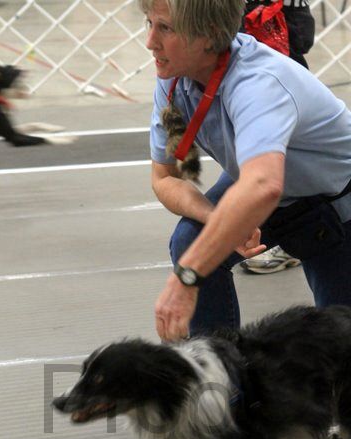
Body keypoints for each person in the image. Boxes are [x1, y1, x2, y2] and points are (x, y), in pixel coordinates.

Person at [139, 0, 351, 341]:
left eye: (165, 27)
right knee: (192, 239)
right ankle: (220, 378)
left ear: (208, 35)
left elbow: (263, 185)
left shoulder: (258, 82)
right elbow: (163, 178)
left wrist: (186, 277)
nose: (150, 41)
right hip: (271, 183)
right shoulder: (175, 77)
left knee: (341, 345)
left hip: (336, 203)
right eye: (148, 23)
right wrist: (214, 218)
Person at [241, 0, 314, 274]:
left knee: (284, 164)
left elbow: (303, 39)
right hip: (243, 82)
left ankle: (289, 239)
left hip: (282, 81)